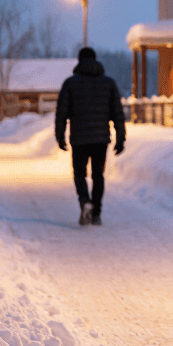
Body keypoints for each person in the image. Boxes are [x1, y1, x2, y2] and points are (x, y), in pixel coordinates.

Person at [55, 47, 126, 226]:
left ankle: (85, 200)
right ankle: (96, 213)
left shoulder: (70, 84)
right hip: (101, 139)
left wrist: (60, 135)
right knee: (98, 175)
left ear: (79, 61)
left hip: (79, 138)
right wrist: (120, 138)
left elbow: (61, 113)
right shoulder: (108, 83)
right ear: (95, 60)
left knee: (80, 173)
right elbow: (118, 113)